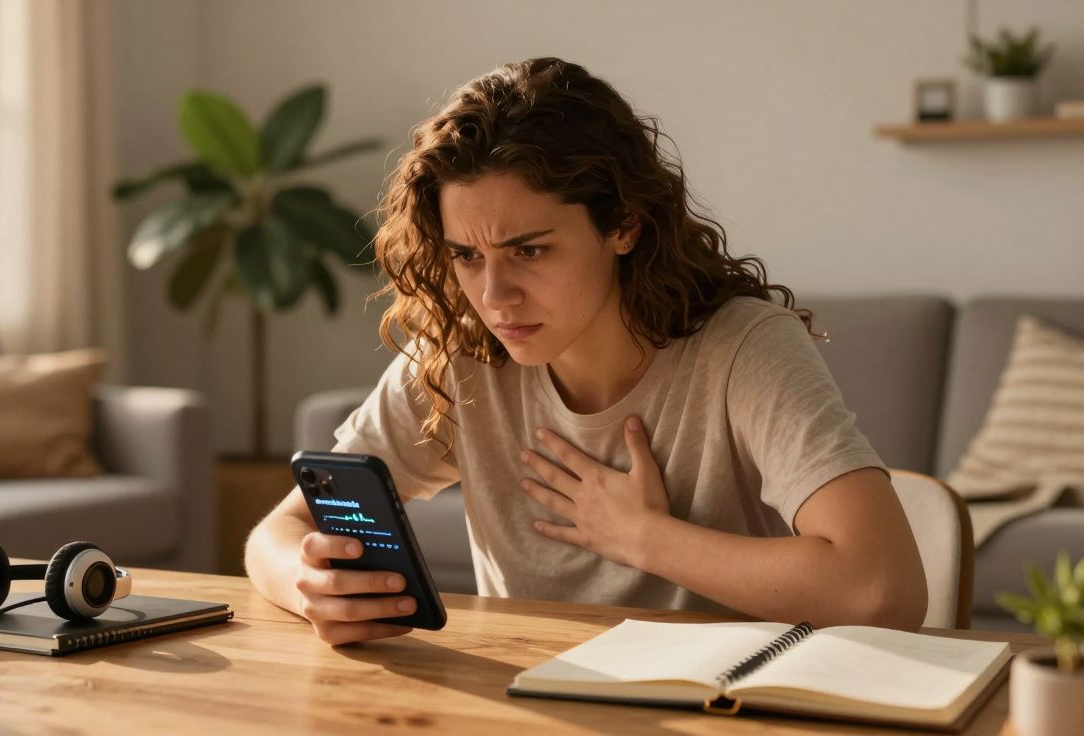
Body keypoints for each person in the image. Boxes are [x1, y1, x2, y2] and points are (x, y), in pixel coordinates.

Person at [245, 57, 927, 645]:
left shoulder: (742, 349)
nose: (495, 295)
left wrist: (645, 539)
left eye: (529, 251)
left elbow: (881, 590)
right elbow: (277, 531)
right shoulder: (463, 353)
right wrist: (306, 584)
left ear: (624, 224)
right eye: (466, 256)